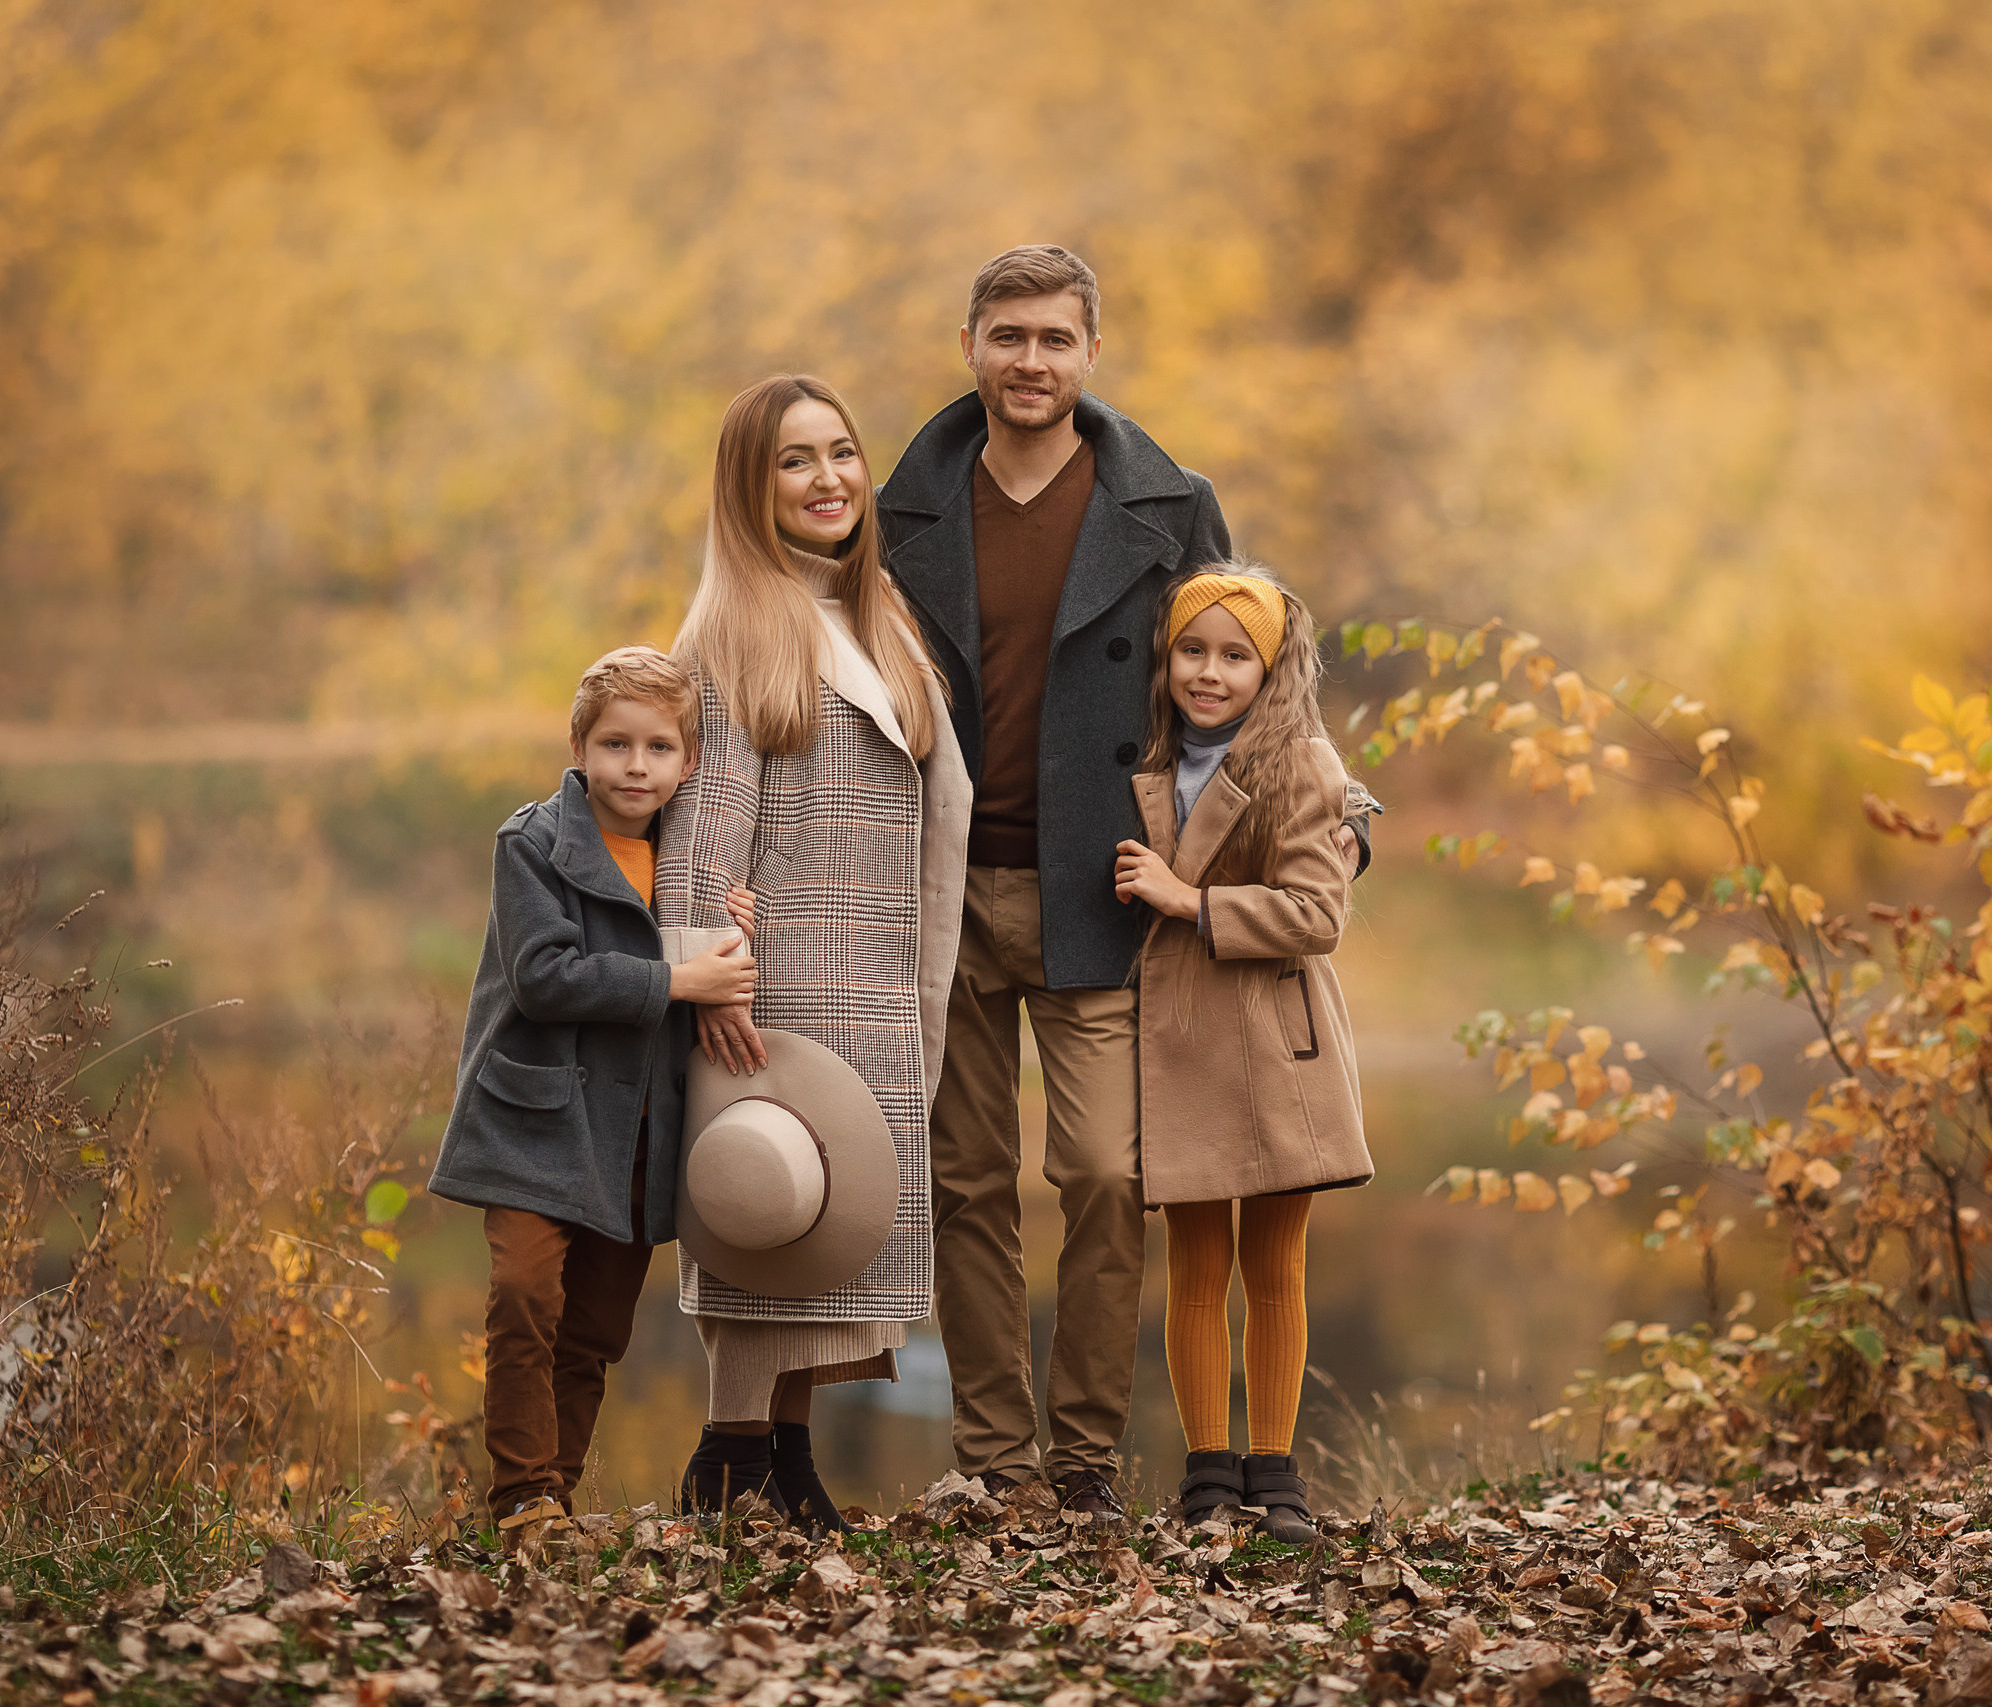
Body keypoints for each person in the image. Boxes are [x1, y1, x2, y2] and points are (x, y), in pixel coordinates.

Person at [878, 245, 1375, 1520]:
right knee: (966, 1182)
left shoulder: (1165, 502)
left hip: (1105, 887)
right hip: (940, 889)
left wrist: (1339, 807)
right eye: (1006, 335)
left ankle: (1086, 1461)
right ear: (971, 346)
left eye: (1053, 337)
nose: (1028, 360)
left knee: (1104, 1173)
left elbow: (1248, 672)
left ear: (1091, 350)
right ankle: (997, 1460)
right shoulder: (904, 510)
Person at [657, 373, 971, 1531]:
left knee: (822, 1238)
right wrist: (706, 969)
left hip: (875, 978)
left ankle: (780, 1455)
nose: (829, 478)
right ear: (752, 486)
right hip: (779, 984)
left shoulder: (868, 608)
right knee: (771, 1209)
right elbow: (705, 826)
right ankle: (729, 1458)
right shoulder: (734, 626)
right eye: (795, 461)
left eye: (840, 452)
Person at [426, 646, 759, 1532]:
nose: (636, 766)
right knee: (525, 1298)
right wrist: (678, 980)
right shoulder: (532, 843)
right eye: (615, 744)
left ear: (689, 761)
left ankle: (553, 1504)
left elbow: (719, 975)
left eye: (658, 747)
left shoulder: (691, 857)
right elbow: (546, 977)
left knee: (594, 1330)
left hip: (637, 1133)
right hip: (537, 1119)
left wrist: (726, 935)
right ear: (579, 746)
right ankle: (520, 1498)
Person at [1112, 564, 1372, 1544]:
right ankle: (1207, 1474)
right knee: (1191, 1263)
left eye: (1235, 655)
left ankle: (1276, 1471)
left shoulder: (1299, 761)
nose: (1209, 673)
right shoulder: (1144, 755)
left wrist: (1188, 902)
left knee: (1274, 1262)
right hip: (1179, 1034)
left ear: (1270, 668)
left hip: (1273, 1038)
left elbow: (1316, 914)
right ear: (1165, 656)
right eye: (1192, 650)